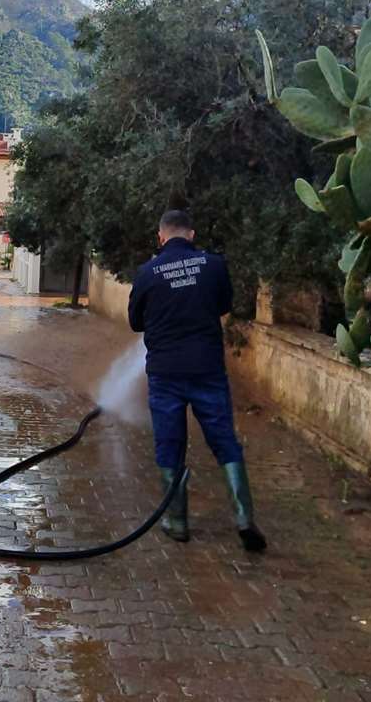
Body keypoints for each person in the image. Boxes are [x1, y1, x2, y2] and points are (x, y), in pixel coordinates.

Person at [127, 209, 266, 552]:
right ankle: (244, 517)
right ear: (191, 234)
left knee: (169, 445)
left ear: (161, 237)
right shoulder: (214, 264)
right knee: (224, 441)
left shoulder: (147, 273)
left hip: (165, 373)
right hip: (207, 369)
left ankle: (177, 523)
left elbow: (135, 322)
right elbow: (223, 304)